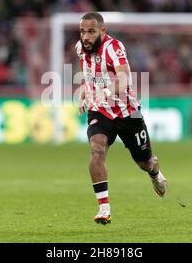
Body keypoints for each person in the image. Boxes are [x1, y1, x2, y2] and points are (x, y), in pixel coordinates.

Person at [77, 12, 168, 225]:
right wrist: (84, 88)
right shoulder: (80, 48)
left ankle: (155, 172)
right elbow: (89, 72)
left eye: (91, 31)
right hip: (100, 111)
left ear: (102, 31)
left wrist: (105, 92)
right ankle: (104, 208)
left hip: (128, 113)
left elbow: (125, 78)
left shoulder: (114, 47)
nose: (86, 37)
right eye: (82, 32)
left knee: (144, 162)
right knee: (96, 149)